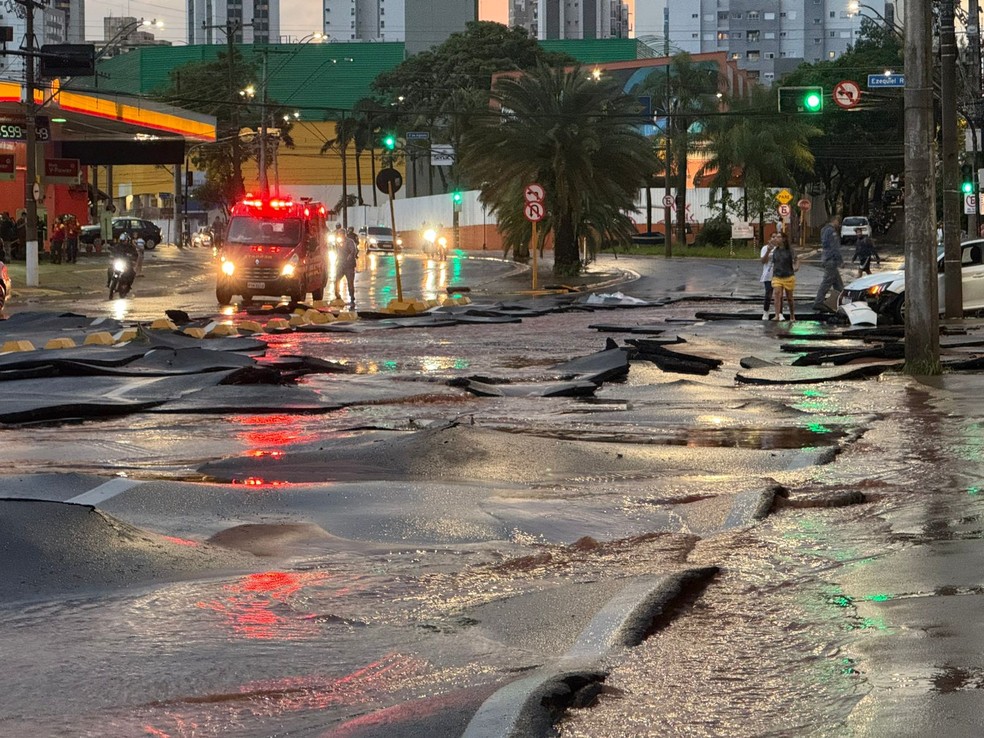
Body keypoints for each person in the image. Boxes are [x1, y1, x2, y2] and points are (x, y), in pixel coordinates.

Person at [813, 215, 843, 312]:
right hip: (831, 260)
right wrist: (840, 261)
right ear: (834, 221)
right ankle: (818, 302)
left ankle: (840, 302)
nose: (839, 225)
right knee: (826, 282)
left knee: (838, 285)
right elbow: (834, 248)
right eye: (838, 222)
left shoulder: (824, 230)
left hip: (826, 258)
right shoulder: (831, 231)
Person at [771, 231, 799, 322]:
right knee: (777, 293)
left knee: (789, 298)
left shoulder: (790, 250)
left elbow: (796, 259)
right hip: (777, 276)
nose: (776, 239)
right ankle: (777, 315)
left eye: (779, 237)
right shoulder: (775, 250)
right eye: (776, 237)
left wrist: (796, 266)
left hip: (788, 276)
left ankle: (792, 315)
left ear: (783, 239)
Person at [335, 227, 358, 307]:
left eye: (342, 234)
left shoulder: (350, 242)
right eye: (339, 234)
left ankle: (352, 297)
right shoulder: (338, 242)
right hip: (341, 265)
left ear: (345, 234)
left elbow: (353, 250)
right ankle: (337, 295)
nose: (340, 235)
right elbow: (337, 252)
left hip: (349, 265)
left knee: (350, 282)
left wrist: (350, 256)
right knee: (337, 280)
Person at [759, 232, 779, 320]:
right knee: (768, 294)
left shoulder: (780, 248)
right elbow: (763, 261)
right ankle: (766, 312)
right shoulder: (765, 248)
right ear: (770, 238)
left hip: (779, 275)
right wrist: (768, 251)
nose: (775, 239)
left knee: (779, 295)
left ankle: (778, 313)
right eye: (773, 237)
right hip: (768, 275)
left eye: (777, 237)